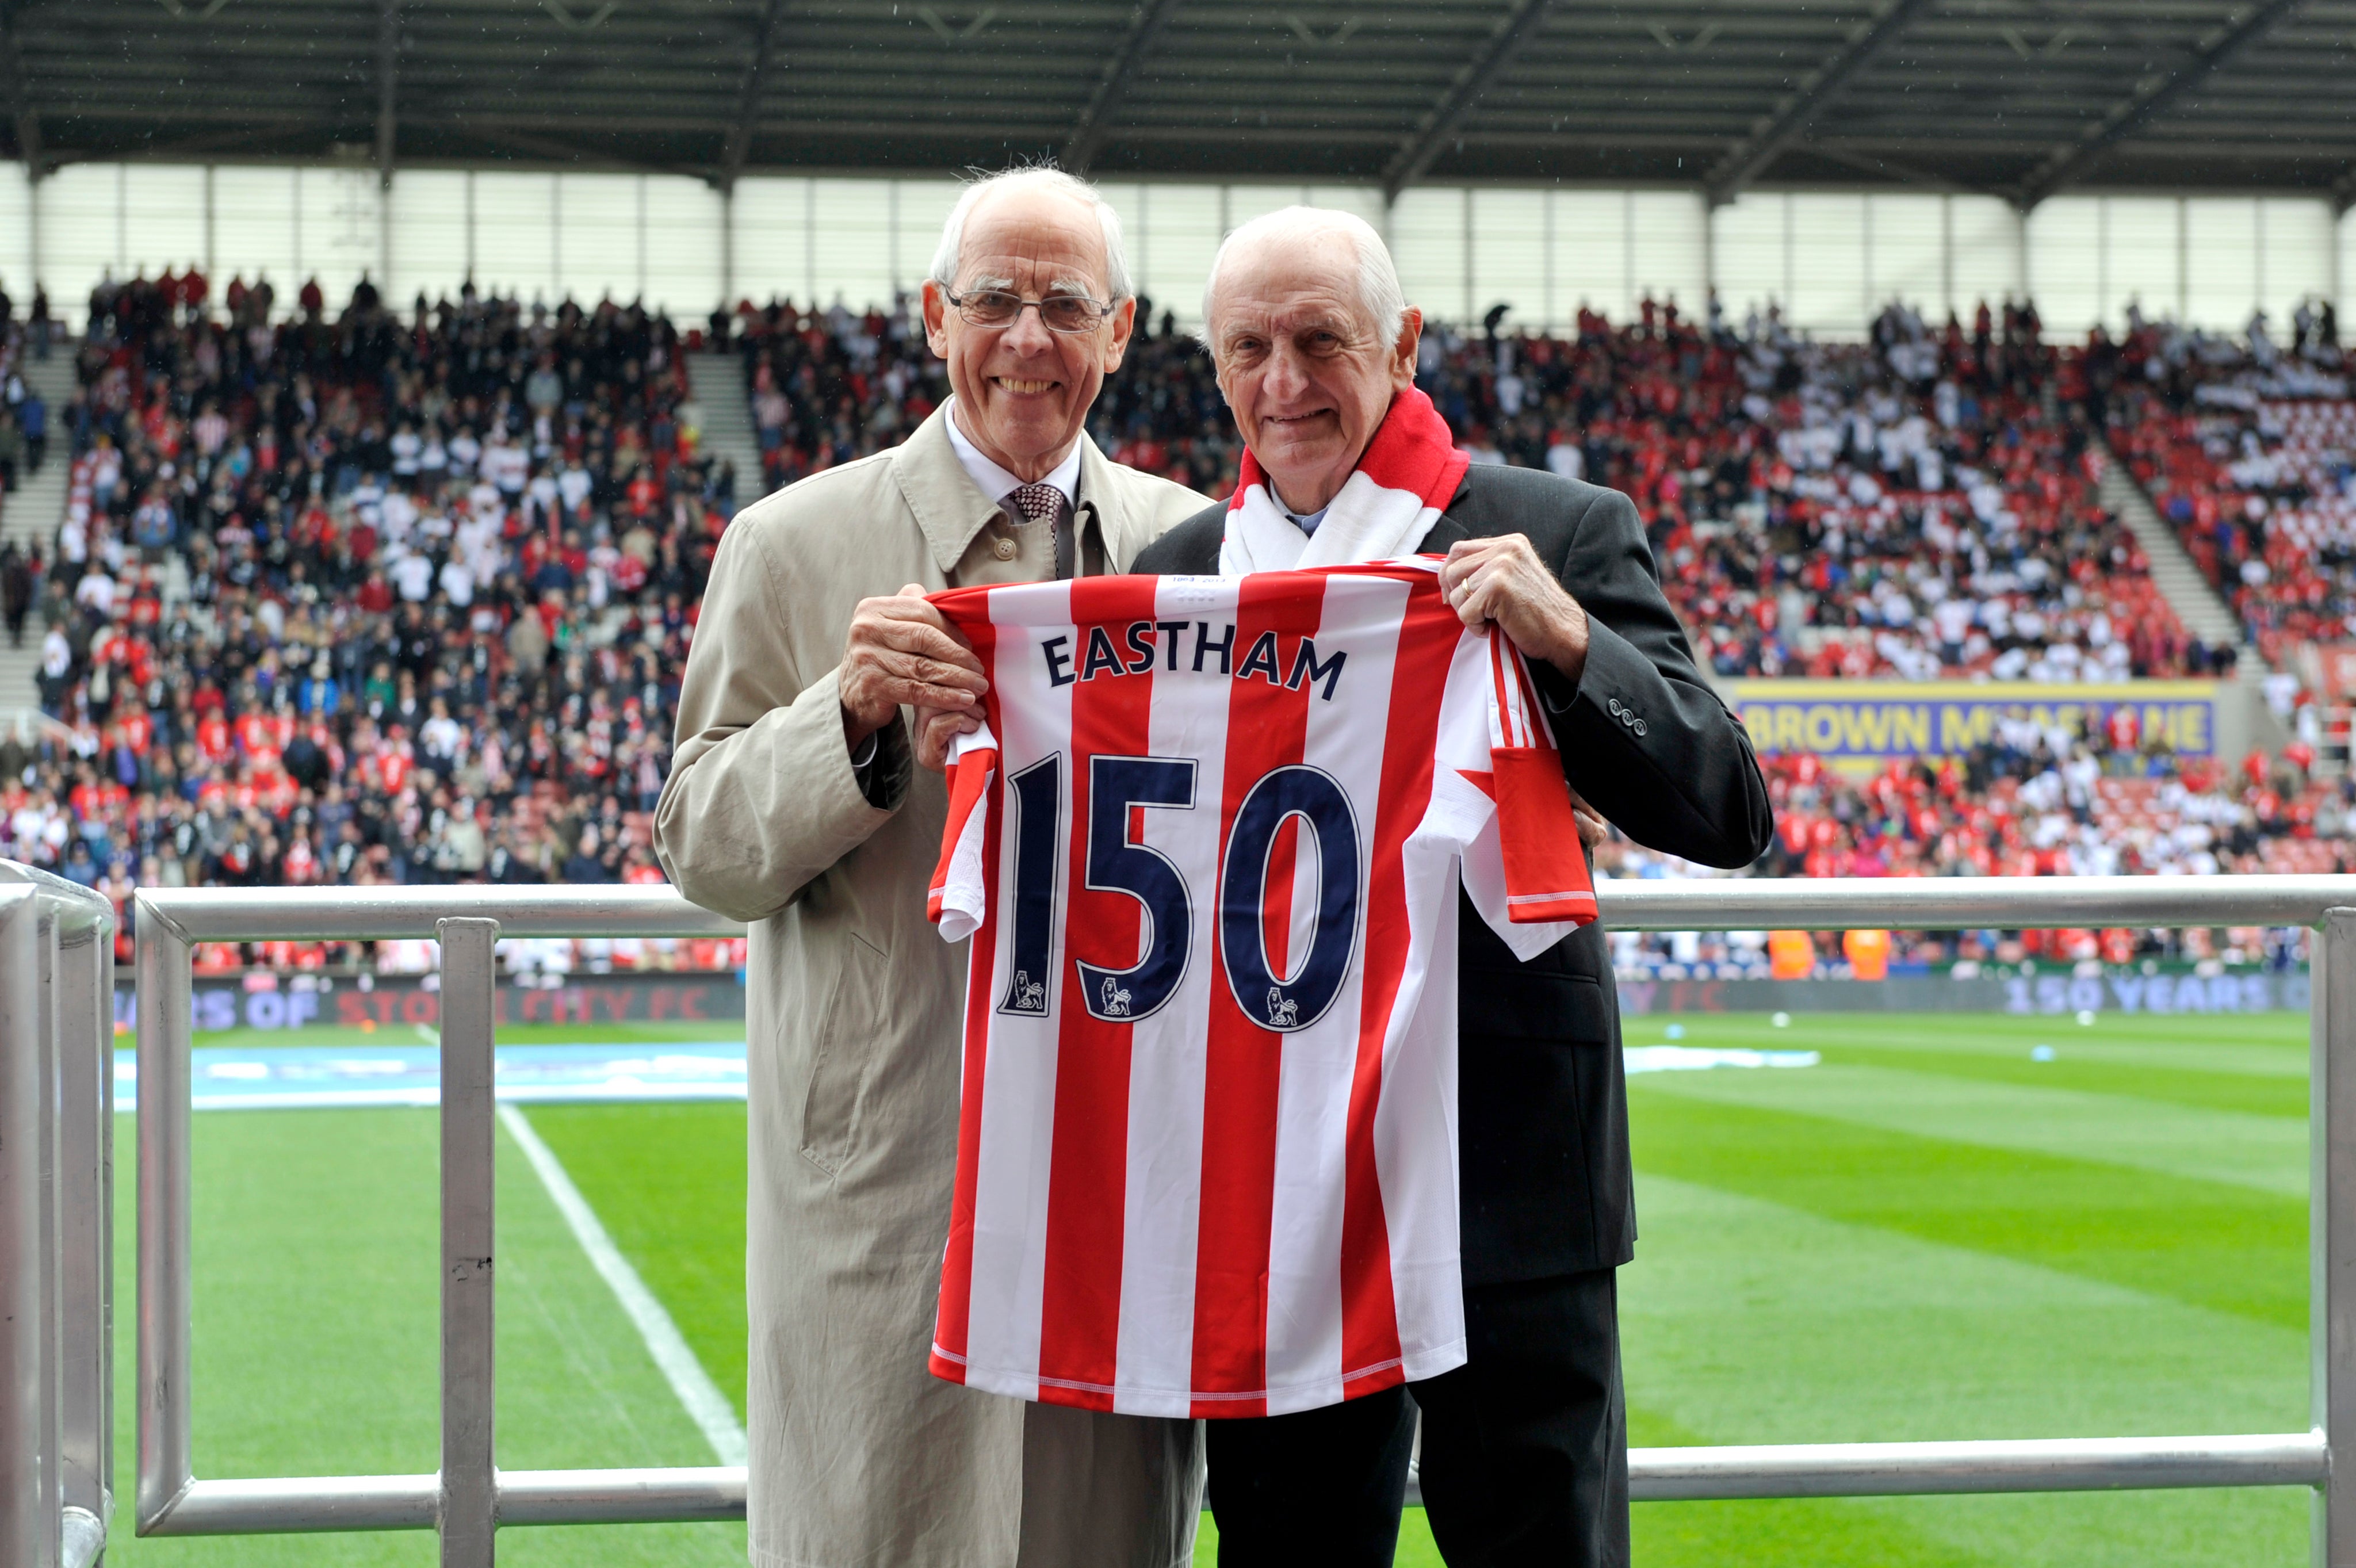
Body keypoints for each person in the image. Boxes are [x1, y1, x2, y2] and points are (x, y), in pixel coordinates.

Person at [1127, 208, 1772, 1567]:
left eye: (1320, 341)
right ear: (1212, 363)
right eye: (1249, 347)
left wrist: (1567, 641)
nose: (1283, 382)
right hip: (1271, 1173)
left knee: (1537, 1540)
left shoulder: (1553, 530)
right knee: (1287, 1541)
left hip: (1506, 1163)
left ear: (1403, 344)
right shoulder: (1178, 577)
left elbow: (1725, 806)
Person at [655, 166, 1213, 1568]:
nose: (1027, 338)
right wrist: (843, 714)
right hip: (886, 1181)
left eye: (1064, 306)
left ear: (1120, 331)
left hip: (1116, 1175)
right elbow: (702, 844)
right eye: (993, 302)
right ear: (931, 318)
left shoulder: (1194, 555)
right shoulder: (788, 547)